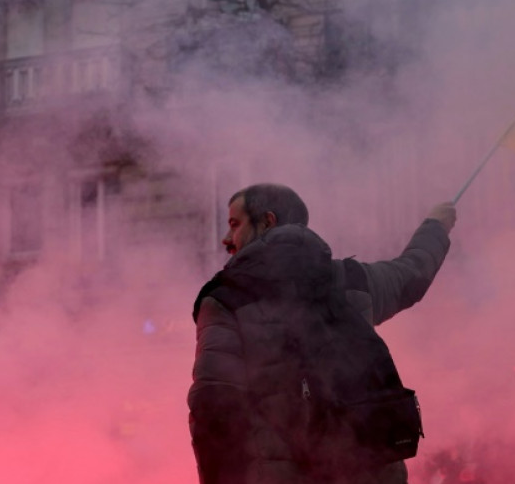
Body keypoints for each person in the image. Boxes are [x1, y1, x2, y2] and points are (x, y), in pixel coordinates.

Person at [188, 183, 455, 484]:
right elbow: (411, 274)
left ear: (268, 221)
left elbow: (215, 409)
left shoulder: (226, 298)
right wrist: (435, 226)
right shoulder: (351, 280)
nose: (227, 239)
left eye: (235, 225)